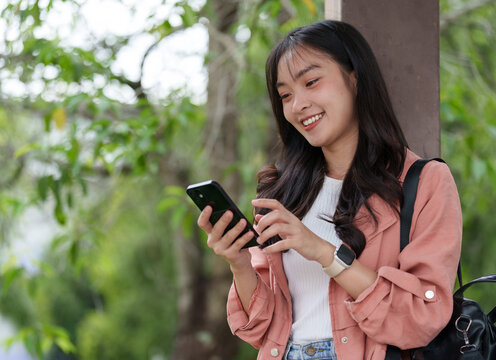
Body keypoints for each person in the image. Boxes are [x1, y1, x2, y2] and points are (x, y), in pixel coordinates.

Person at [197, 20, 462, 360]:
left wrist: (324, 252)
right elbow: (261, 329)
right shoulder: (279, 192)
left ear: (355, 78)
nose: (297, 105)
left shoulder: (425, 182)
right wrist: (239, 263)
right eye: (285, 95)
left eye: (311, 82)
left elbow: (422, 318)